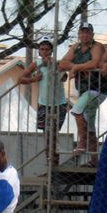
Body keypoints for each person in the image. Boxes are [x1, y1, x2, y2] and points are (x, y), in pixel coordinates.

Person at [59, 22, 107, 164]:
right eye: (82, 32)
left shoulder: (97, 46)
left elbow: (94, 63)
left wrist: (75, 68)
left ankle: (82, 144)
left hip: (97, 89)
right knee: (89, 123)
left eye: (88, 32)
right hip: (84, 91)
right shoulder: (76, 47)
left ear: (92, 34)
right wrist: (77, 67)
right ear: (79, 34)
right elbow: (62, 63)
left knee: (76, 111)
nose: (85, 35)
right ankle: (94, 159)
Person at [18, 38, 69, 166]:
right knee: (47, 134)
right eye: (42, 49)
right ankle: (50, 163)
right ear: (39, 51)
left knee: (54, 133)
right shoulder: (36, 63)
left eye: (47, 49)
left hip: (59, 103)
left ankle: (54, 162)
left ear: (51, 51)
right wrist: (34, 79)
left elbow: (64, 78)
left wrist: (54, 66)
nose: (45, 52)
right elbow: (21, 78)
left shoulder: (57, 62)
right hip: (44, 104)